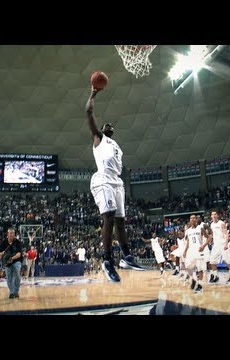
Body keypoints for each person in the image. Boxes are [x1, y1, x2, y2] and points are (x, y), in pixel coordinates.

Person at [85, 85, 144, 282]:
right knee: (108, 216)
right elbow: (88, 111)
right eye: (105, 125)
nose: (108, 125)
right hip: (103, 179)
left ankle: (126, 256)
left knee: (120, 221)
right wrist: (93, 93)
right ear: (101, 130)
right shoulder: (98, 139)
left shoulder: (117, 146)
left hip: (117, 182)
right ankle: (107, 260)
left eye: (111, 125)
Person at [0, 228, 23, 299]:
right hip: (7, 262)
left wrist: (12, 258)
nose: (11, 234)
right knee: (9, 277)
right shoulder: (3, 242)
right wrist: (0, 254)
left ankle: (16, 292)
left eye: (13, 233)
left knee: (17, 274)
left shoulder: (17, 242)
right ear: (7, 234)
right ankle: (12, 292)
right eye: (10, 233)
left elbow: (19, 254)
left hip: (16, 260)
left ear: (14, 234)